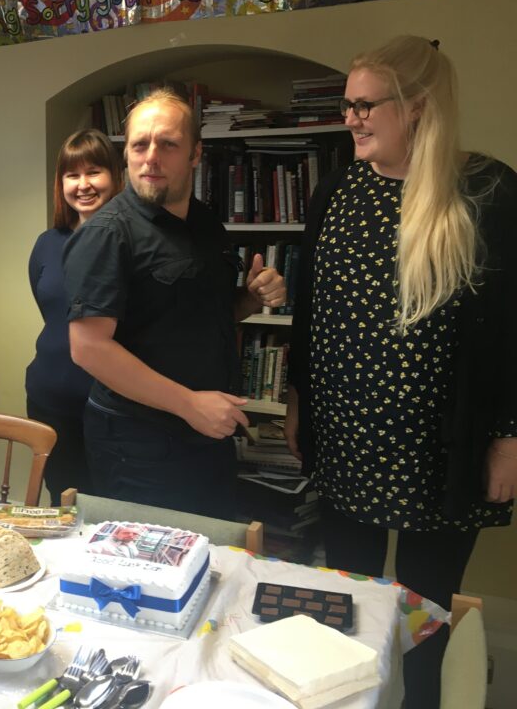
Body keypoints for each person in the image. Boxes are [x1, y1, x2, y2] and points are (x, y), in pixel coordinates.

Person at [285, 35, 516, 707]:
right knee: (349, 603)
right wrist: (298, 397)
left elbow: (511, 327)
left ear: (415, 107)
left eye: (364, 105)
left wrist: (508, 435)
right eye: (347, 105)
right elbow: (309, 312)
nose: (350, 118)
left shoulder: (486, 191)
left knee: (425, 615)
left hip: (437, 455)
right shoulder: (336, 190)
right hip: (348, 443)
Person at [63, 89, 285, 519]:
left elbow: (210, 316)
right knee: (148, 573)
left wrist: (251, 298)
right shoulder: (108, 234)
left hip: (207, 434)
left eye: (168, 144)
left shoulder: (205, 223)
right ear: (125, 154)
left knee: (207, 561)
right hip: (140, 444)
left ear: (195, 154)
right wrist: (190, 404)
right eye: (139, 145)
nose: (151, 157)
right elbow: (88, 348)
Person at [26, 129, 124, 504]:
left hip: (113, 406)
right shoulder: (47, 244)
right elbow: (51, 310)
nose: (83, 185)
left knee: (111, 508)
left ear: (116, 177)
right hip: (49, 401)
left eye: (94, 172)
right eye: (72, 174)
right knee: (63, 503)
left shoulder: (131, 241)